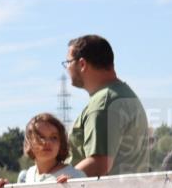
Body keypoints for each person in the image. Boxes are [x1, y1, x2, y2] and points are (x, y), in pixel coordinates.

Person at [64, 34, 149, 177]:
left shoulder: (104, 103)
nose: (67, 68)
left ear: (82, 64)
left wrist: (57, 184)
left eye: (68, 62)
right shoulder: (123, 94)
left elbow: (99, 163)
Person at [0, 113, 85, 188]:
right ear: (28, 143)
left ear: (61, 143)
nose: (47, 142)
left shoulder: (76, 176)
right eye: (40, 137)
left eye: (54, 137)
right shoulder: (25, 177)